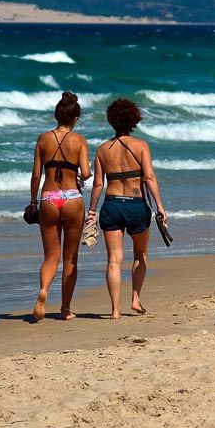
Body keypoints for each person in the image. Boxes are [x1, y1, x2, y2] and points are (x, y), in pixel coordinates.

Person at [87, 98, 166, 320]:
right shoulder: (141, 146)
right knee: (140, 254)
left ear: (111, 120)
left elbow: (98, 184)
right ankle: (135, 299)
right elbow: (149, 177)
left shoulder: (103, 149)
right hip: (135, 205)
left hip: (111, 205)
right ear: (134, 120)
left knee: (114, 259)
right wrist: (160, 206)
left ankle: (114, 310)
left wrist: (92, 211)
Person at [29, 92, 91, 321]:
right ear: (75, 118)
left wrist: (33, 201)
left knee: (50, 256)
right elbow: (85, 173)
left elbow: (36, 175)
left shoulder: (43, 138)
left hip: (48, 198)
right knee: (70, 257)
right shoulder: (80, 141)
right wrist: (87, 172)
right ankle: (65, 309)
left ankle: (44, 290)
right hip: (72, 198)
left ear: (57, 115)